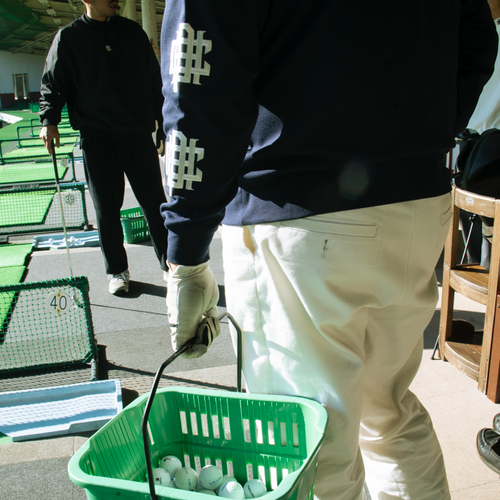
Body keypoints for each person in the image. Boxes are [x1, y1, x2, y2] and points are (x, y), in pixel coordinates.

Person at [159, 1, 497, 499]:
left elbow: (199, 87)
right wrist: (422, 130)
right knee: (390, 413)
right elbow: (476, 39)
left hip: (295, 210)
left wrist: (187, 250)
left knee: (310, 446)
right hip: (417, 202)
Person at [39, 0, 168, 294]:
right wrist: (49, 120)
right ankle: (117, 271)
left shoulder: (133, 33)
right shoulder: (69, 38)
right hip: (97, 138)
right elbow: (53, 83)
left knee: (155, 204)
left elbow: (154, 82)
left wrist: (163, 122)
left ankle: (170, 266)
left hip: (137, 134)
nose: (117, 0)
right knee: (106, 209)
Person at [459, 0, 500, 271]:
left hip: (486, 147)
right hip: (476, 145)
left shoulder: (481, 31)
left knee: (486, 254)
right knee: (483, 252)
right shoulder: (485, 29)